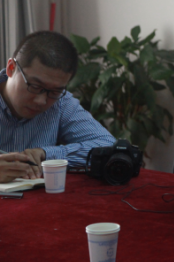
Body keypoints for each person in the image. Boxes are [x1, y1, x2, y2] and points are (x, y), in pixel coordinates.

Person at [0, 31, 116, 183]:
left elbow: (108, 145)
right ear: (11, 68)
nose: (41, 101)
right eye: (35, 86)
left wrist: (46, 154)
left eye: (55, 91)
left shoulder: (61, 103)